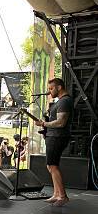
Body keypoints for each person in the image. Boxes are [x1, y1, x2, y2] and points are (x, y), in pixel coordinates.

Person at [37, 77, 72, 206]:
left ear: (59, 87)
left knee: (53, 166)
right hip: (53, 136)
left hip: (58, 137)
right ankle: (57, 194)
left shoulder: (64, 101)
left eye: (51, 88)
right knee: (50, 165)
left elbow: (61, 122)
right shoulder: (60, 102)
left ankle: (62, 196)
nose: (50, 91)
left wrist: (44, 123)